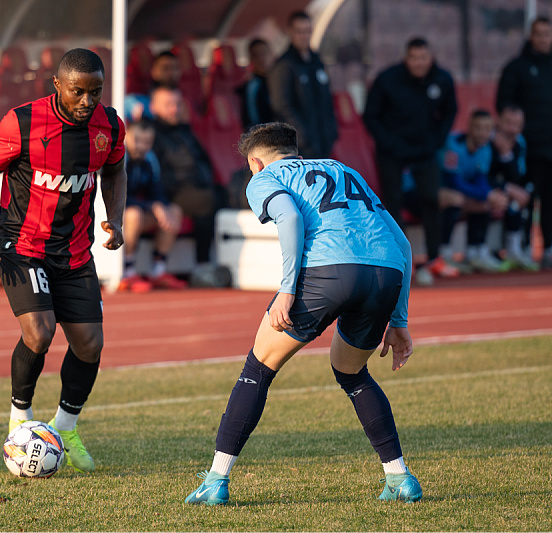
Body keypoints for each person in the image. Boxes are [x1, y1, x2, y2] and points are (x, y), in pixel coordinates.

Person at [185, 122, 421, 506]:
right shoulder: (345, 169)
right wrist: (399, 321)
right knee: (352, 373)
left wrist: (287, 288)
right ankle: (399, 477)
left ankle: (216, 480)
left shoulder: (263, 178)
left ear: (255, 162)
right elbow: (404, 244)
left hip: (329, 272)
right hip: (386, 273)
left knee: (258, 368)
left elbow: (291, 219)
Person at [0, 48, 127, 473]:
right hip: (22, 246)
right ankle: (19, 422)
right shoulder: (21, 122)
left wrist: (117, 218)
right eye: (78, 91)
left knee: (90, 343)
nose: (87, 101)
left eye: (96, 91)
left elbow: (114, 169)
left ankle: (66, 428)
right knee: (40, 332)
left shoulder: (109, 125)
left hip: (74, 251)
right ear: (57, 85)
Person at [363, 37, 458, 286]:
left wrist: (437, 139)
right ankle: (401, 260)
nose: (419, 63)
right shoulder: (387, 80)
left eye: (423, 58)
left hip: (425, 149)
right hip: (392, 150)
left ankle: (435, 257)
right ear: (406, 59)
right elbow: (371, 116)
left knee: (431, 199)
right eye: (414, 58)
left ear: (430, 58)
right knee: (392, 203)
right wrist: (388, 143)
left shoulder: (442, 79)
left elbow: (450, 110)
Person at [497, 16, 552, 269]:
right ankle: (524, 247)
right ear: (530, 35)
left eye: (547, 33)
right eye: (538, 33)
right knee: (528, 197)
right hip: (527, 148)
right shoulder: (516, 68)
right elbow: (503, 104)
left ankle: (549, 247)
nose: (543, 38)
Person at [149, 85, 221, 265]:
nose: (174, 109)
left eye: (177, 104)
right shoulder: (150, 134)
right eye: (168, 105)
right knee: (208, 200)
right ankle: (203, 264)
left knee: (227, 194)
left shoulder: (184, 130)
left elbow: (203, 159)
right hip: (172, 192)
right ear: (153, 107)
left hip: (196, 186)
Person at [119, 119, 188, 292]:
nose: (142, 146)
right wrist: (153, 206)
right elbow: (118, 196)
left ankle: (158, 271)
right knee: (134, 214)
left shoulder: (149, 159)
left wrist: (159, 206)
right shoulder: (119, 157)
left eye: (147, 142)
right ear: (127, 137)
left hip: (139, 212)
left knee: (173, 211)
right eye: (137, 140)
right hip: (113, 217)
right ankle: (126, 273)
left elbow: (156, 192)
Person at [437, 110, 509, 273]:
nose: (483, 133)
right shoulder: (453, 144)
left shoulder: (485, 149)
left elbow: (480, 180)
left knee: (484, 203)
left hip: (458, 194)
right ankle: (444, 253)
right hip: (433, 192)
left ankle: (475, 251)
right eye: (478, 128)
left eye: (487, 129)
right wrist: (487, 195)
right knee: (456, 199)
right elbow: (453, 181)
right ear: (469, 127)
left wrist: (491, 196)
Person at [267, 11, 337, 159]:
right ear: (290, 32)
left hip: (324, 142)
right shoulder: (284, 65)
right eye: (299, 32)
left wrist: (332, 131)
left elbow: (326, 99)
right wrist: (301, 136)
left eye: (307, 31)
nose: (304, 36)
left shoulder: (316, 61)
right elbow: (281, 105)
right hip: (300, 148)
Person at [490, 104, 538, 271]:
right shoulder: (488, 141)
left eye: (517, 124)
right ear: (498, 122)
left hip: (508, 192)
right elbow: (483, 175)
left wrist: (506, 154)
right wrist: (506, 187)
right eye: (508, 123)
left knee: (521, 200)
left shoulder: (520, 144)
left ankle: (517, 248)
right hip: (488, 190)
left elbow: (517, 176)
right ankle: (478, 250)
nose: (512, 128)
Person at [237, 38, 275, 131]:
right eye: (256, 55)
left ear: (271, 54)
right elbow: (252, 121)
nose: (261, 59)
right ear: (251, 59)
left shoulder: (282, 80)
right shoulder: (252, 87)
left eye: (263, 53)